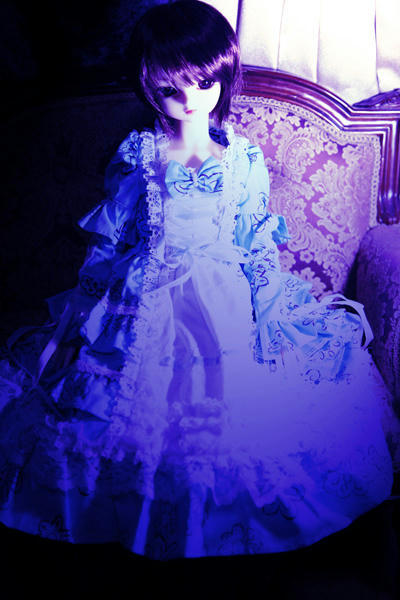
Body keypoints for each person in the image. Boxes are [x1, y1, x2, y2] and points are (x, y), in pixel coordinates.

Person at [0, 0, 397, 560]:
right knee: (112, 410)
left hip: (222, 295)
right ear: (148, 89)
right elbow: (108, 242)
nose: (189, 100)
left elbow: (255, 242)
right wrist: (76, 320)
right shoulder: (137, 156)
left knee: (247, 406)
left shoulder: (243, 159)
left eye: (204, 84)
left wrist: (271, 314)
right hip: (143, 294)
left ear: (223, 79)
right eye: (171, 90)